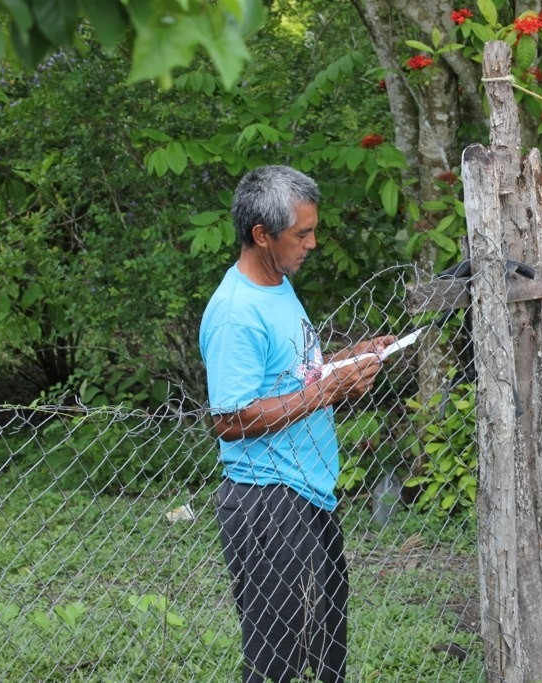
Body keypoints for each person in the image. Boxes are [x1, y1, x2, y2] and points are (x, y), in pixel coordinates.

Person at [199, 164, 394, 683]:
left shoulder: (277, 285)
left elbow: (288, 377)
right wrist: (329, 389)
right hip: (267, 504)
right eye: (301, 233)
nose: (312, 243)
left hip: (309, 496)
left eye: (313, 230)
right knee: (277, 665)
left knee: (325, 654)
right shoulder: (236, 312)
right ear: (262, 235)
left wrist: (347, 359)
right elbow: (229, 417)